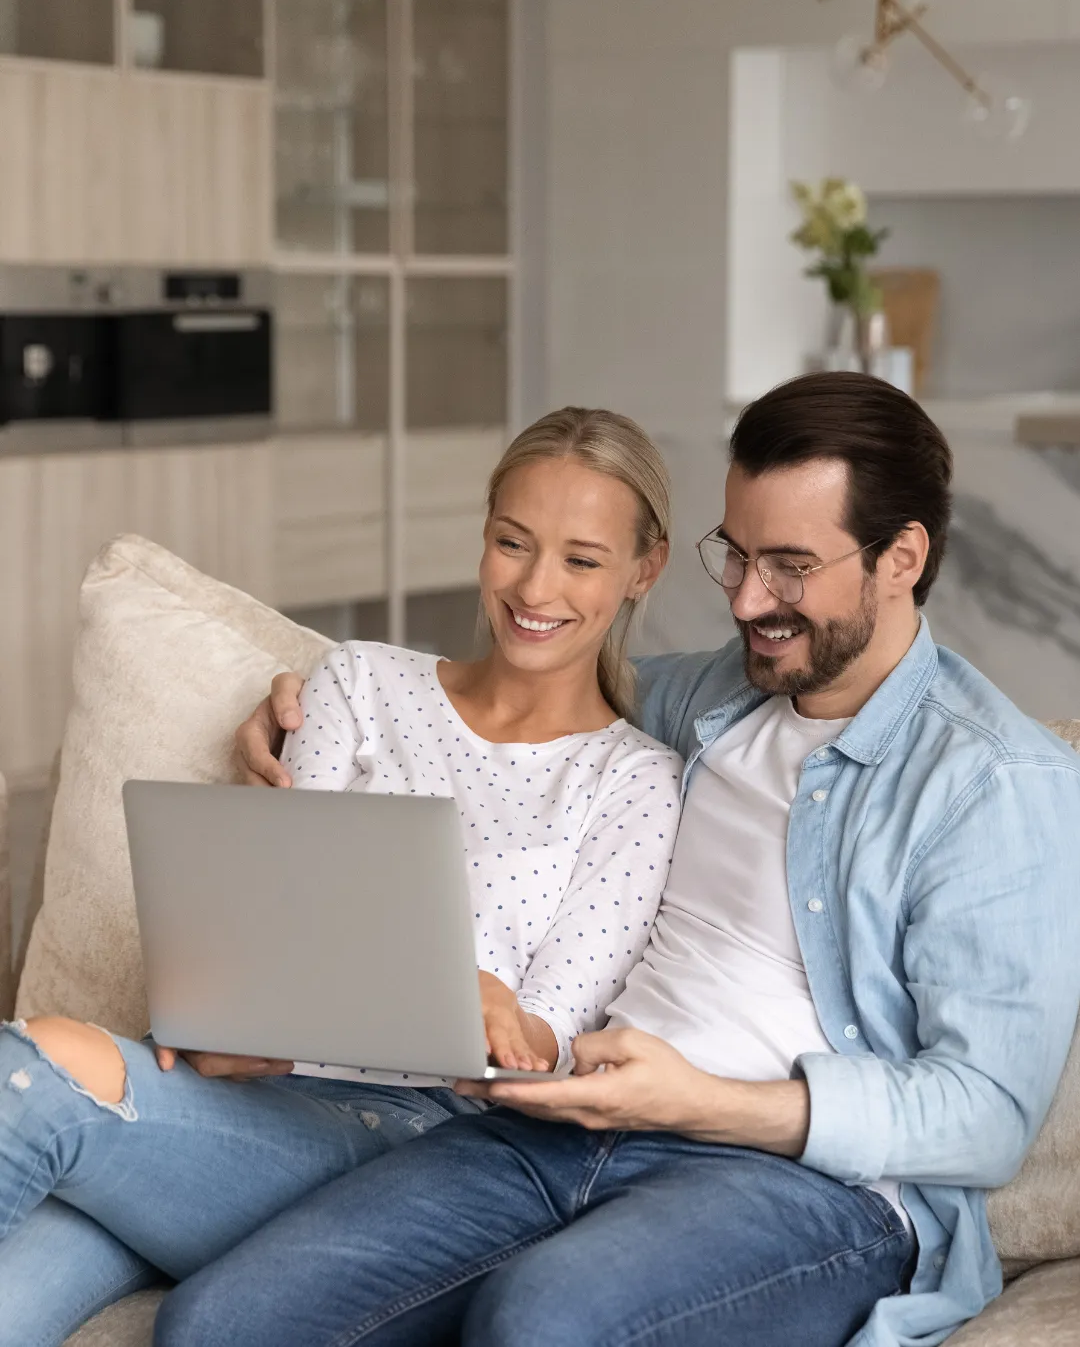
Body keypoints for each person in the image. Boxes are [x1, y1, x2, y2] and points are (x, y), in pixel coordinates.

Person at [160, 372, 1080, 1347]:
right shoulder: (711, 696)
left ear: (902, 558)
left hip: (801, 1187)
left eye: (791, 567)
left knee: (542, 1322)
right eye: (736, 555)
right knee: (219, 1323)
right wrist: (294, 700)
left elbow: (986, 1117)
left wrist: (703, 1104)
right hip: (560, 1129)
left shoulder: (995, 782)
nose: (748, 600)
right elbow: (522, 681)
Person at [0, 408, 685, 1347]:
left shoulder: (633, 783)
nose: (535, 587)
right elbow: (274, 919)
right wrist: (224, 1020)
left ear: (644, 569)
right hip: (226, 1093)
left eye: (582, 559)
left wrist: (475, 1002)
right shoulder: (359, 683)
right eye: (512, 543)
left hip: (409, 1142)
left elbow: (546, 1049)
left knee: (35, 1069)